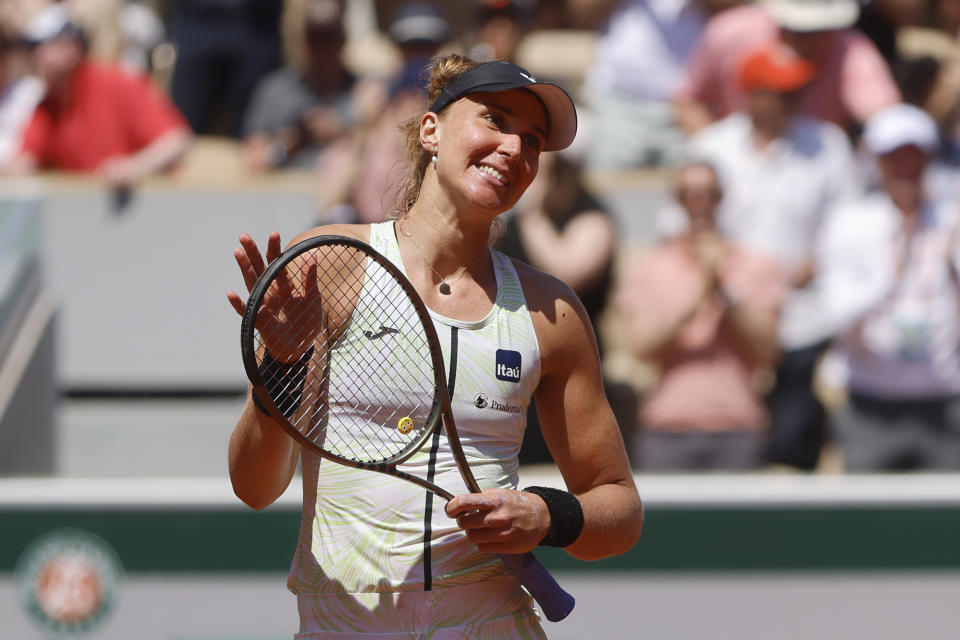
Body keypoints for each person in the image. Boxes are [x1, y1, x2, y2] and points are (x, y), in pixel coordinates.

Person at [226, 55, 643, 637]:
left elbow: (619, 513)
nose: (514, 150)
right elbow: (254, 485)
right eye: (494, 120)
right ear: (431, 130)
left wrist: (549, 514)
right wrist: (284, 371)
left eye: (532, 140)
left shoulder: (554, 311)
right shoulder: (332, 263)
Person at [662, 43, 863, 470]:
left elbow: (851, 223)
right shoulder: (714, 146)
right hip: (727, 311)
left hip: (803, 313)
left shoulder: (828, 145)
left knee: (794, 433)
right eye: (779, 91)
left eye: (795, 91)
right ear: (751, 94)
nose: (792, 100)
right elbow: (675, 221)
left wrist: (820, 259)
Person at [616, 161, 788, 471]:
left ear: (722, 197)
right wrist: (698, 297)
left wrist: (723, 288)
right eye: (689, 194)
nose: (700, 203)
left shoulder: (757, 264)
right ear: (677, 200)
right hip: (666, 427)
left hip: (738, 427)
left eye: (709, 193)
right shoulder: (651, 267)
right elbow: (640, 347)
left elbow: (768, 351)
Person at [817, 103, 960, 470]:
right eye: (894, 158)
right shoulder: (850, 223)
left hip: (945, 406)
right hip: (870, 407)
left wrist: (951, 262)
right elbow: (836, 315)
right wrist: (888, 277)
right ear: (877, 162)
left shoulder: (952, 219)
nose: (906, 169)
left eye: (915, 157)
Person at [6, 4, 191, 188]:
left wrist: (135, 166)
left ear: (73, 47)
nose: (36, 56)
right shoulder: (47, 105)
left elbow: (176, 141)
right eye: (32, 49)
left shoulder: (118, 84)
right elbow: (25, 162)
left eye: (41, 46)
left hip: (142, 207)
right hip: (85, 208)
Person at [673, 0, 901, 138]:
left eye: (819, 29)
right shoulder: (728, 33)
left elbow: (884, 115)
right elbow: (687, 101)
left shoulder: (851, 49)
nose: (808, 38)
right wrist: (727, 154)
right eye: (799, 29)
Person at [241, 0, 360, 172]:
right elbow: (252, 160)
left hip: (345, 192)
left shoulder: (363, 91)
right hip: (285, 193)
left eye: (328, 38)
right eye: (314, 39)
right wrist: (287, 145)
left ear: (343, 41)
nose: (321, 48)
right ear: (304, 41)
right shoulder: (274, 90)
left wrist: (340, 132)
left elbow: (387, 157)